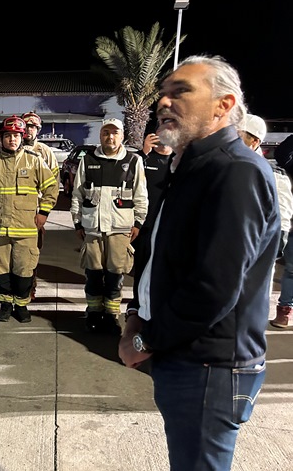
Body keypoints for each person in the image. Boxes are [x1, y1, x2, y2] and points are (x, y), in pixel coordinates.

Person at [119, 55, 280, 471]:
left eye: (180, 92)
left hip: (211, 367)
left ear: (223, 106)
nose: (163, 103)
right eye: (163, 94)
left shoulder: (234, 172)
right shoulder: (187, 168)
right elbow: (156, 254)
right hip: (185, 358)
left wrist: (145, 341)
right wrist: (136, 314)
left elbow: (214, 287)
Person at [0, 116, 59, 323]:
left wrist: (44, 213)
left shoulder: (34, 161)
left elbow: (51, 188)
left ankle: (21, 306)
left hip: (27, 229)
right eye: (8, 136)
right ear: (1, 137)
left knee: (24, 270)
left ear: (22, 138)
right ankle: (5, 304)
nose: (12, 140)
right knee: (1, 269)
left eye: (16, 136)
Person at [70, 118, 148, 334]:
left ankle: (112, 316)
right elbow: (77, 194)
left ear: (122, 136)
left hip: (120, 229)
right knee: (93, 274)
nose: (110, 137)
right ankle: (94, 314)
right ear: (100, 135)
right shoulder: (88, 160)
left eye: (115, 133)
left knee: (115, 275)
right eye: (106, 132)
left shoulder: (133, 161)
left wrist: (138, 223)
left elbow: (141, 196)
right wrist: (77, 221)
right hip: (92, 229)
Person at [238, 113, 293, 329]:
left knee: (251, 304)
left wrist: (274, 245)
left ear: (254, 141)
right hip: (228, 250)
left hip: (257, 250)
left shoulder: (272, 174)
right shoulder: (223, 167)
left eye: (238, 135)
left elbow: (283, 217)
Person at [21, 111, 59, 299]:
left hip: (34, 212)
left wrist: (44, 212)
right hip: (14, 211)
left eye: (33, 127)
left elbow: (53, 184)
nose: (28, 130)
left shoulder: (45, 152)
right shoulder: (12, 147)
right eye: (26, 126)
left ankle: (30, 287)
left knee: (32, 252)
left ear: (38, 129)